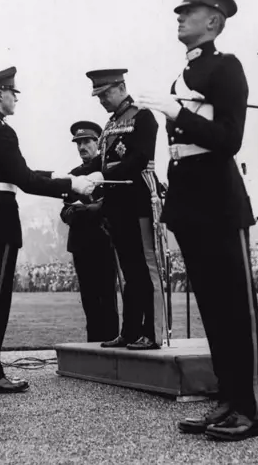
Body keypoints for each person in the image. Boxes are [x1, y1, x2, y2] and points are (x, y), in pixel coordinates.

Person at [135, 0, 258, 442]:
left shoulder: (226, 68)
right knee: (212, 308)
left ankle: (249, 410)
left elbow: (229, 140)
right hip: (188, 198)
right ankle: (227, 401)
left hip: (219, 198)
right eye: (179, 11)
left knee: (236, 310)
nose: (179, 16)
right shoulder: (182, 74)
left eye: (188, 11)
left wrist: (177, 113)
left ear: (213, 21)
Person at [0, 65, 94, 394]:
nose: (15, 99)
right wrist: (72, 185)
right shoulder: (3, 132)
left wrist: (61, 176)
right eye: (13, 93)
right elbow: (23, 180)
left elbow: (17, 170)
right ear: (0, 94)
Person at [83, 68, 165, 351]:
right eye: (99, 95)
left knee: (146, 268)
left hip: (138, 199)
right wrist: (72, 176)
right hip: (117, 204)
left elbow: (140, 157)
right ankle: (130, 331)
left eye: (105, 93)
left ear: (121, 87)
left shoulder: (142, 116)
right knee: (129, 271)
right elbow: (101, 162)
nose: (102, 100)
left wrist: (103, 178)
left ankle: (153, 333)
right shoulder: (110, 124)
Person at [59, 121, 119, 343]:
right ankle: (93, 345)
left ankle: (112, 343)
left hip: (104, 239)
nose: (82, 146)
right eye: (79, 143)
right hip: (80, 242)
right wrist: (73, 213)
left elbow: (112, 204)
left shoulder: (108, 170)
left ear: (98, 143)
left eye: (86, 142)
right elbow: (64, 210)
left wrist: (87, 209)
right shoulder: (72, 175)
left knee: (106, 295)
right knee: (89, 298)